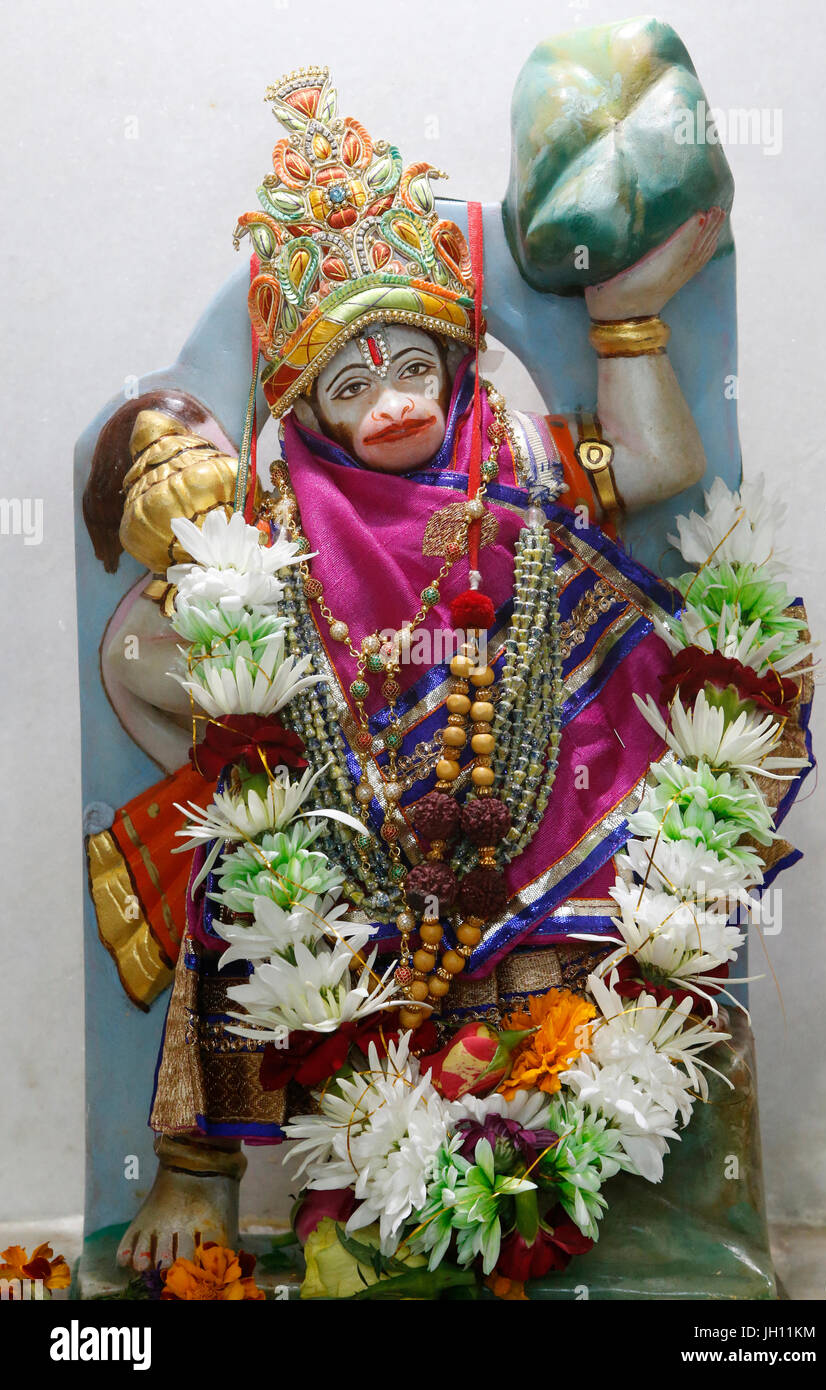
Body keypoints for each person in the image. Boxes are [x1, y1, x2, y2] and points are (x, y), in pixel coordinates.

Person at [83, 67, 725, 1271]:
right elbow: (141, 656)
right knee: (245, 877)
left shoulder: (517, 457)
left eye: (409, 367)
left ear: (453, 357)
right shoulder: (275, 514)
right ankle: (199, 1167)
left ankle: (544, 1167)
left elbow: (662, 463)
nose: (388, 403)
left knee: (607, 927)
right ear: (310, 413)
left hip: (537, 794)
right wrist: (189, 552)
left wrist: (627, 314)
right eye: (350, 382)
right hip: (349, 820)